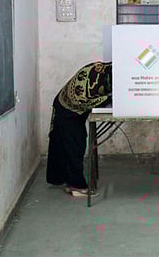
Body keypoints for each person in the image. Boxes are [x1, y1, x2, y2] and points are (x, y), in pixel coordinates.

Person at [46, 61, 112, 197]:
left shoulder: (103, 71)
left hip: (70, 107)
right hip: (68, 109)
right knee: (74, 145)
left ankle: (70, 182)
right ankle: (77, 186)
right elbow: (94, 100)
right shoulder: (93, 84)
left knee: (71, 143)